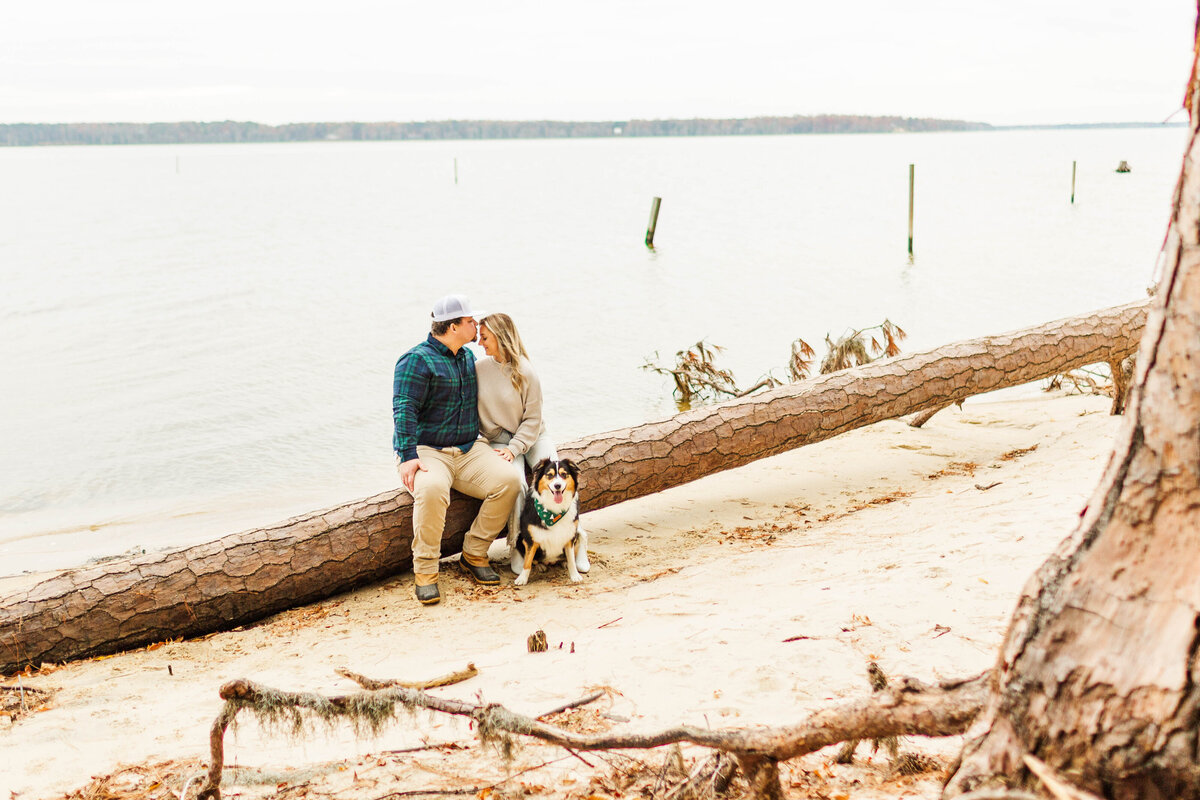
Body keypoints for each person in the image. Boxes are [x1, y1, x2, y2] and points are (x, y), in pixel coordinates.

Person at [393, 294, 522, 606]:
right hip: (428, 450)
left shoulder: (466, 356)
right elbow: (404, 409)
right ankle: (425, 571)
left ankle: (474, 553)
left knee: (510, 481)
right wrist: (407, 457)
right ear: (452, 327)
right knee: (432, 489)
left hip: (469, 449)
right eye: (469, 321)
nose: (476, 325)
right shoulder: (416, 360)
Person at [475, 313, 589, 575]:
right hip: (498, 440)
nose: (480, 343)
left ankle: (577, 539)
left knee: (560, 478)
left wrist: (514, 448)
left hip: (534, 435)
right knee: (516, 484)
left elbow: (533, 419)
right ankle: (519, 546)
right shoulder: (479, 369)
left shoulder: (526, 371)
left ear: (501, 338)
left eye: (485, 338)